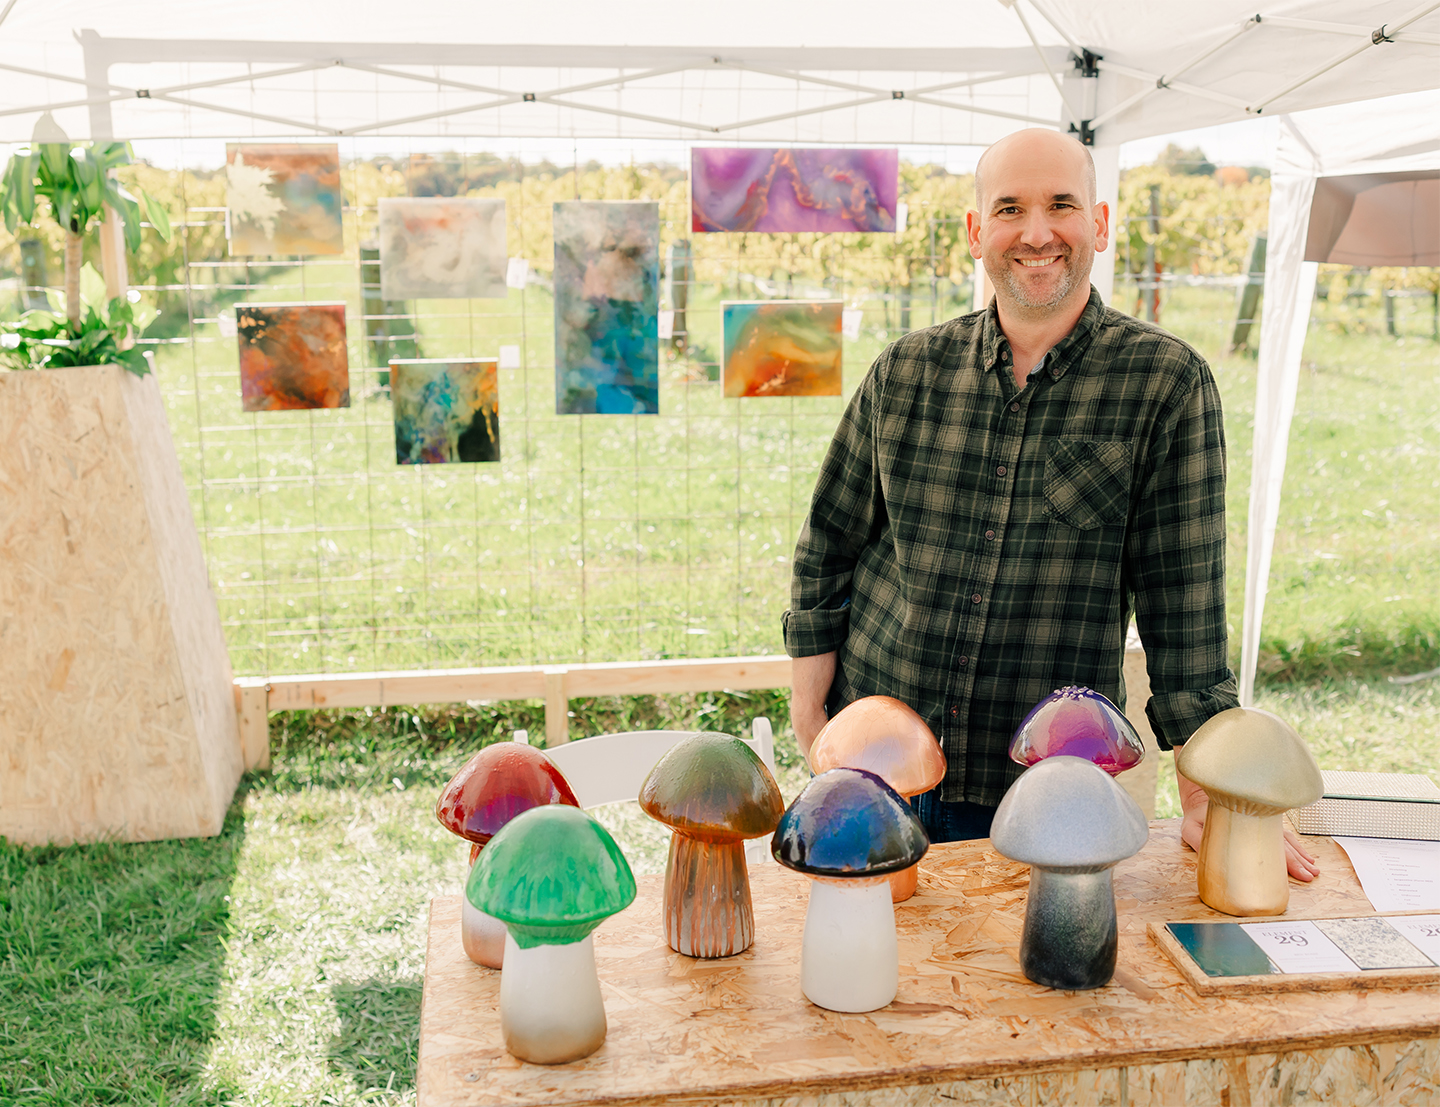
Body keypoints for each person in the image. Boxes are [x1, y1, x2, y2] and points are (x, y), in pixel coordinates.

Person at [783, 128, 1318, 881]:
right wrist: (816, 730)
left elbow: (1184, 611)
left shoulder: (1164, 385)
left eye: (1061, 205)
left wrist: (1205, 798)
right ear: (978, 233)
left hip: (1046, 798)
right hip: (877, 779)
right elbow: (825, 554)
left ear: (1099, 223)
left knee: (1030, 990)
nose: (1037, 233)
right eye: (1010, 209)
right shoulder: (905, 373)